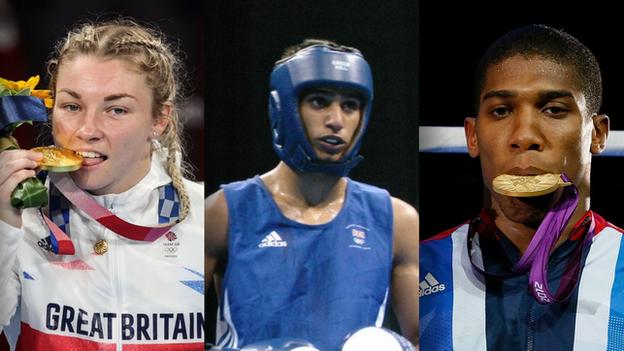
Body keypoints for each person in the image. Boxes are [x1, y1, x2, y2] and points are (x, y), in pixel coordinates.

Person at [0, 18, 204, 349]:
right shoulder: (18, 220)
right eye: (71, 106)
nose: (87, 129)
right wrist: (4, 228)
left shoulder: (209, 219)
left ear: (159, 120)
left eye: (116, 109)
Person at [205, 39, 419, 350]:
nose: (336, 121)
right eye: (319, 102)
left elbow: (422, 337)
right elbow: (172, 334)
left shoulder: (397, 221)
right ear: (285, 108)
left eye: (350, 106)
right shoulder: (224, 212)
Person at [419, 24, 623, 350]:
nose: (524, 135)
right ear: (472, 136)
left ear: (597, 134)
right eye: (501, 111)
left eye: (553, 109)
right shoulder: (421, 268)